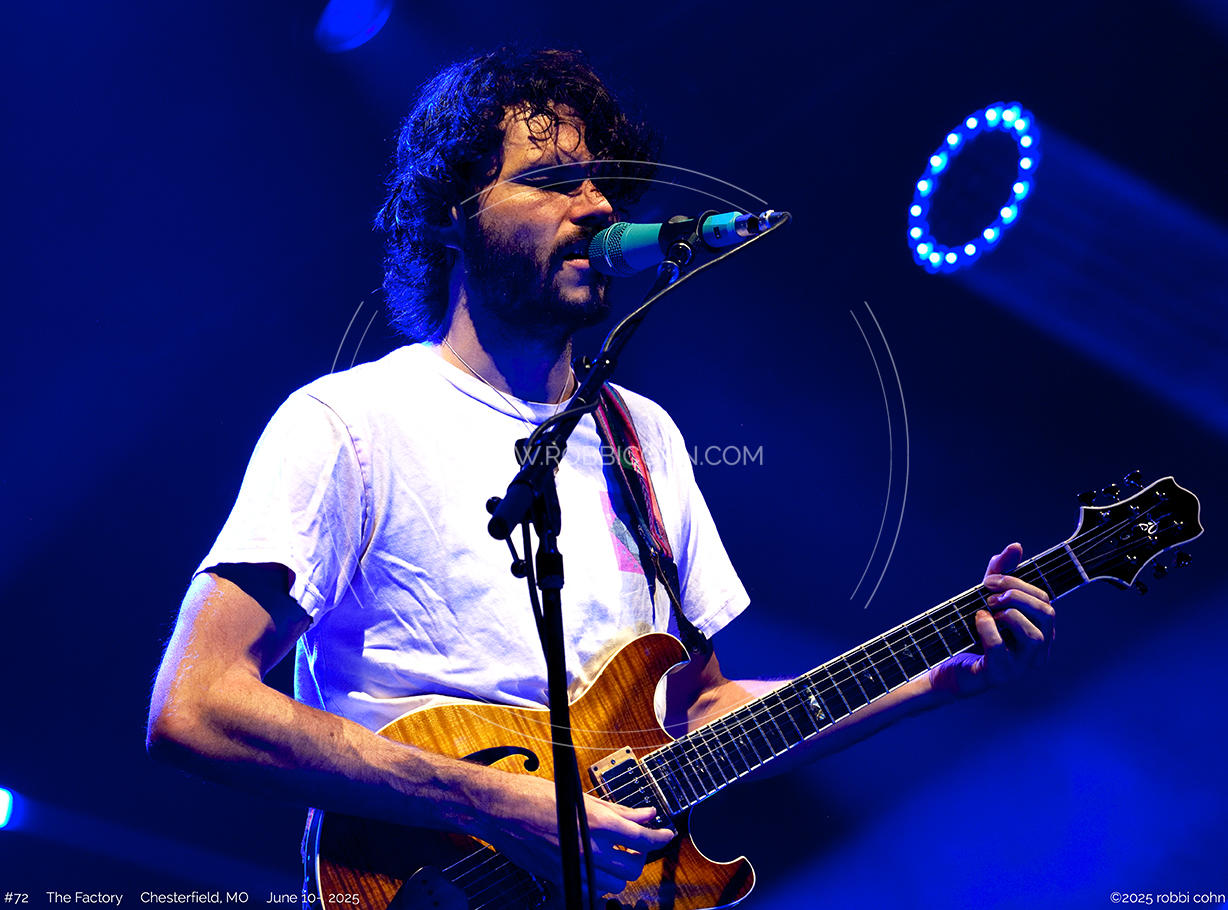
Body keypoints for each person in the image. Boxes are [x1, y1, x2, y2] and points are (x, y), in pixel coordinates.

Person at [146, 47, 1055, 902]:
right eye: (549, 181)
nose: (594, 208)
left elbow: (701, 709)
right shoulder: (350, 424)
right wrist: (495, 803)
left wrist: (932, 681)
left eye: (599, 183)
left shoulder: (642, 437)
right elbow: (196, 704)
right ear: (450, 213)